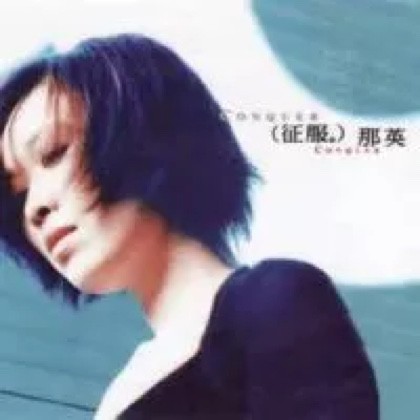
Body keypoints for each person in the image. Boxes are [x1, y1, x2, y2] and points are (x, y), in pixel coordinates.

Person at [0, 34, 379, 419]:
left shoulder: (275, 303)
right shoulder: (125, 389)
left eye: (53, 153)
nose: (33, 208)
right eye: (20, 192)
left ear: (141, 134)